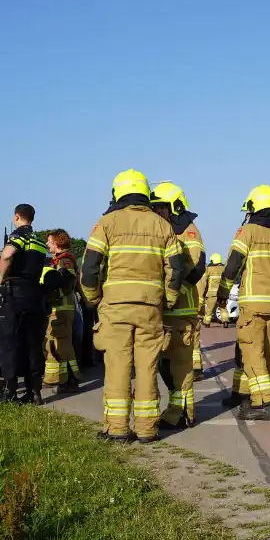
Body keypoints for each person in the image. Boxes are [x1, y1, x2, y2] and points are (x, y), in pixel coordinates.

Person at [80, 169, 186, 443]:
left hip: (115, 307)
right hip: (151, 308)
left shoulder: (107, 222)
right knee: (148, 366)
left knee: (117, 365)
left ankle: (117, 429)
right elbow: (176, 268)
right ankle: (147, 429)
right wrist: (169, 300)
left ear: (118, 193)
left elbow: (90, 267)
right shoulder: (162, 225)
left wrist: (93, 299)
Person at [215, 185, 270, 421]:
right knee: (269, 351)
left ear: (254, 207)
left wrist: (222, 295)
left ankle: (264, 402)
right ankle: (250, 393)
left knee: (252, 352)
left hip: (253, 304)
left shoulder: (247, 232)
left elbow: (233, 264)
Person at [150, 181, 206, 429]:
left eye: (160, 207)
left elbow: (196, 268)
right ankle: (175, 408)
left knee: (180, 364)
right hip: (165, 309)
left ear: (175, 206)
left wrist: (171, 281)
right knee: (164, 362)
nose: (156, 211)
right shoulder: (164, 229)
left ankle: (183, 413)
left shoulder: (188, 231)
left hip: (182, 309)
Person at [0, 204, 49, 405]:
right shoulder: (39, 241)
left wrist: (2, 277)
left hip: (15, 295)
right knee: (32, 345)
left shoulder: (19, 236)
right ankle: (34, 391)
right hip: (34, 295)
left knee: (9, 343)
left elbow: (7, 255)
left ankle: (10, 391)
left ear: (17, 216)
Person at [41, 229, 82, 393]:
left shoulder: (65, 261)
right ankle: (58, 378)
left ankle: (68, 381)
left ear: (57, 242)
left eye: (49, 242)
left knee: (62, 346)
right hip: (58, 308)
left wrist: (51, 294)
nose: (47, 244)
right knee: (56, 344)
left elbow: (67, 282)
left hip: (62, 308)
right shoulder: (57, 260)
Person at [192, 252, 225, 381]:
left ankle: (207, 321)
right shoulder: (222, 268)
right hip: (220, 294)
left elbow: (202, 285)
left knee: (209, 313)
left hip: (210, 295)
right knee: (222, 309)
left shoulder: (208, 269)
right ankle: (197, 369)